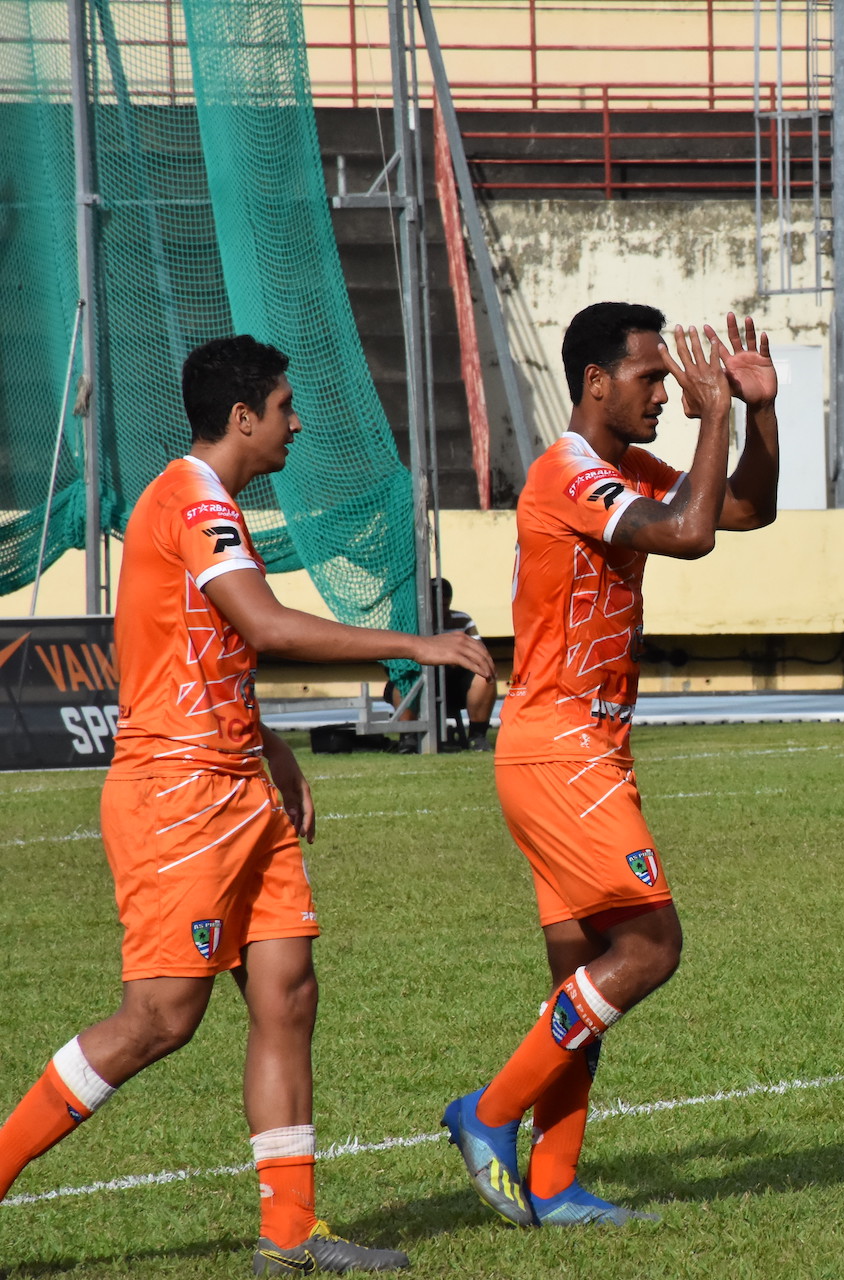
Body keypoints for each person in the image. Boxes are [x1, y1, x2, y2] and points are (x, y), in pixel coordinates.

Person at [0, 335, 494, 1273]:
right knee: (159, 1019)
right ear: (242, 418)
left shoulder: (210, 503)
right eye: (284, 407)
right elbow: (265, 624)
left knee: (288, 992)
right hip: (177, 793)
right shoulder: (191, 497)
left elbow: (222, 650)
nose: (295, 423)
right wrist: (418, 645)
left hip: (238, 786)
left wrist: (274, 755)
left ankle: (290, 1233)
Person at [441, 304, 778, 1229]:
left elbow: (744, 508)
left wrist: (758, 412)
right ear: (596, 381)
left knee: (582, 979)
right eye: (651, 377)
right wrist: (715, 419)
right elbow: (690, 533)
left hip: (579, 746)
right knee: (650, 947)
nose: (666, 392)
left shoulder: (621, 467)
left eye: (672, 379)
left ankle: (553, 1184)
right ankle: (489, 1111)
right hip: (559, 747)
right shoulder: (569, 473)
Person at [382, 578, 498, 750]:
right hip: (415, 678)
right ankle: (408, 738)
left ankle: (477, 736)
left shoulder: (462, 621)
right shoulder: (407, 622)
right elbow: (391, 662)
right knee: (404, 676)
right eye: (435, 604)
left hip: (453, 683)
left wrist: (455, 660)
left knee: (485, 675)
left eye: (444, 605)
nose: (440, 610)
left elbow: (478, 655)